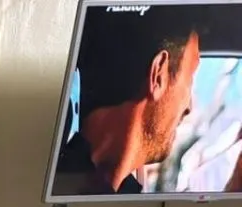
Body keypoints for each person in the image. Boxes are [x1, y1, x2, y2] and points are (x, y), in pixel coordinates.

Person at [53, 7, 201, 195]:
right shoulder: (66, 188)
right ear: (158, 75)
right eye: (190, 78)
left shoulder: (64, 176)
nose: (189, 107)